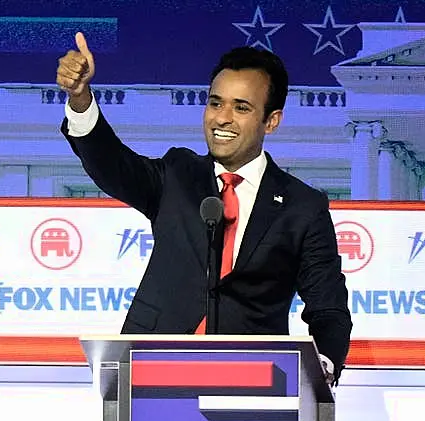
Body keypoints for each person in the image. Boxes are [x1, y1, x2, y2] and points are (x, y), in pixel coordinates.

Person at [57, 32, 352, 384]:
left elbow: (328, 307)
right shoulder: (178, 174)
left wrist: (323, 364)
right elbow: (112, 165)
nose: (222, 118)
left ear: (271, 121)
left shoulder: (302, 206)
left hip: (254, 381)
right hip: (152, 368)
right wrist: (80, 99)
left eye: (241, 108)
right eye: (215, 103)